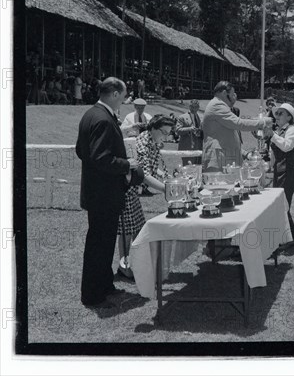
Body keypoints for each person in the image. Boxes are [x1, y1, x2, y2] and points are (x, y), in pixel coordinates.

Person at [76, 77, 143, 308]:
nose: (124, 100)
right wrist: (127, 165)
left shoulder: (90, 115)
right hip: (104, 194)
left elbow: (81, 151)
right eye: (123, 96)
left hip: (98, 192)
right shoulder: (103, 119)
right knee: (99, 245)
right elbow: (101, 157)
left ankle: (105, 285)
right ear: (114, 93)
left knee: (103, 244)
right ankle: (93, 296)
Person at [117, 114, 174, 280]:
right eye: (163, 132)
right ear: (154, 128)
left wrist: (166, 177)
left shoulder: (153, 141)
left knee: (138, 228)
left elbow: (153, 168)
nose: (165, 136)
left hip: (133, 190)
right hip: (126, 190)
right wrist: (166, 189)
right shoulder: (143, 143)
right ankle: (125, 269)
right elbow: (144, 174)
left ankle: (135, 264)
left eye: (168, 133)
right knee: (127, 230)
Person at [202, 81, 272, 172]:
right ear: (224, 93)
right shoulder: (217, 105)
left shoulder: (219, 105)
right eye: (232, 94)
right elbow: (239, 123)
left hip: (224, 157)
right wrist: (262, 122)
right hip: (218, 158)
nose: (234, 96)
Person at [264, 102, 294, 249]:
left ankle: (292, 239)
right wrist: (269, 166)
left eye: (280, 113)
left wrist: (272, 135)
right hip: (279, 171)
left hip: (288, 171)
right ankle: (286, 238)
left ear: (289, 116)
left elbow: (286, 146)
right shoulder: (279, 130)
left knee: (283, 205)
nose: (277, 116)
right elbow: (274, 152)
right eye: (276, 113)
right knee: (280, 205)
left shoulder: (292, 130)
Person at [175, 99, 203, 165]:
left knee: (198, 169)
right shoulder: (182, 117)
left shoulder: (200, 117)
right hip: (187, 147)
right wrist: (189, 129)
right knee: (188, 169)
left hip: (198, 147)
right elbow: (177, 130)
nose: (194, 109)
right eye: (192, 107)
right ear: (189, 107)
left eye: (196, 107)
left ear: (198, 107)